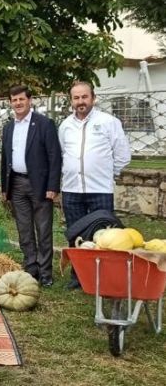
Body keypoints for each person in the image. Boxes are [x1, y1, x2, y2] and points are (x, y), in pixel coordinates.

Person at [59, 81, 131, 289]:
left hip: (100, 188)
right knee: (76, 233)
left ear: (93, 97)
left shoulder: (108, 122)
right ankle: (78, 276)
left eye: (84, 97)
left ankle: (102, 276)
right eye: (76, 98)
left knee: (103, 234)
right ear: (71, 100)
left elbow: (122, 154)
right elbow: (64, 153)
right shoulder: (66, 125)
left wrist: (109, 173)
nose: (80, 101)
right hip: (72, 189)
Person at [0, 85, 62, 287]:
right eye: (14, 100)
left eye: (21, 99)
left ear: (30, 100)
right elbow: (5, 158)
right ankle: (31, 268)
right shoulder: (9, 127)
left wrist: (53, 186)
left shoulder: (44, 124)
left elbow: (54, 157)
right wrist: (4, 187)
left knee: (43, 230)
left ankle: (45, 273)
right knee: (24, 229)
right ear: (10, 103)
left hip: (40, 184)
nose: (18, 103)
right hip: (16, 183)